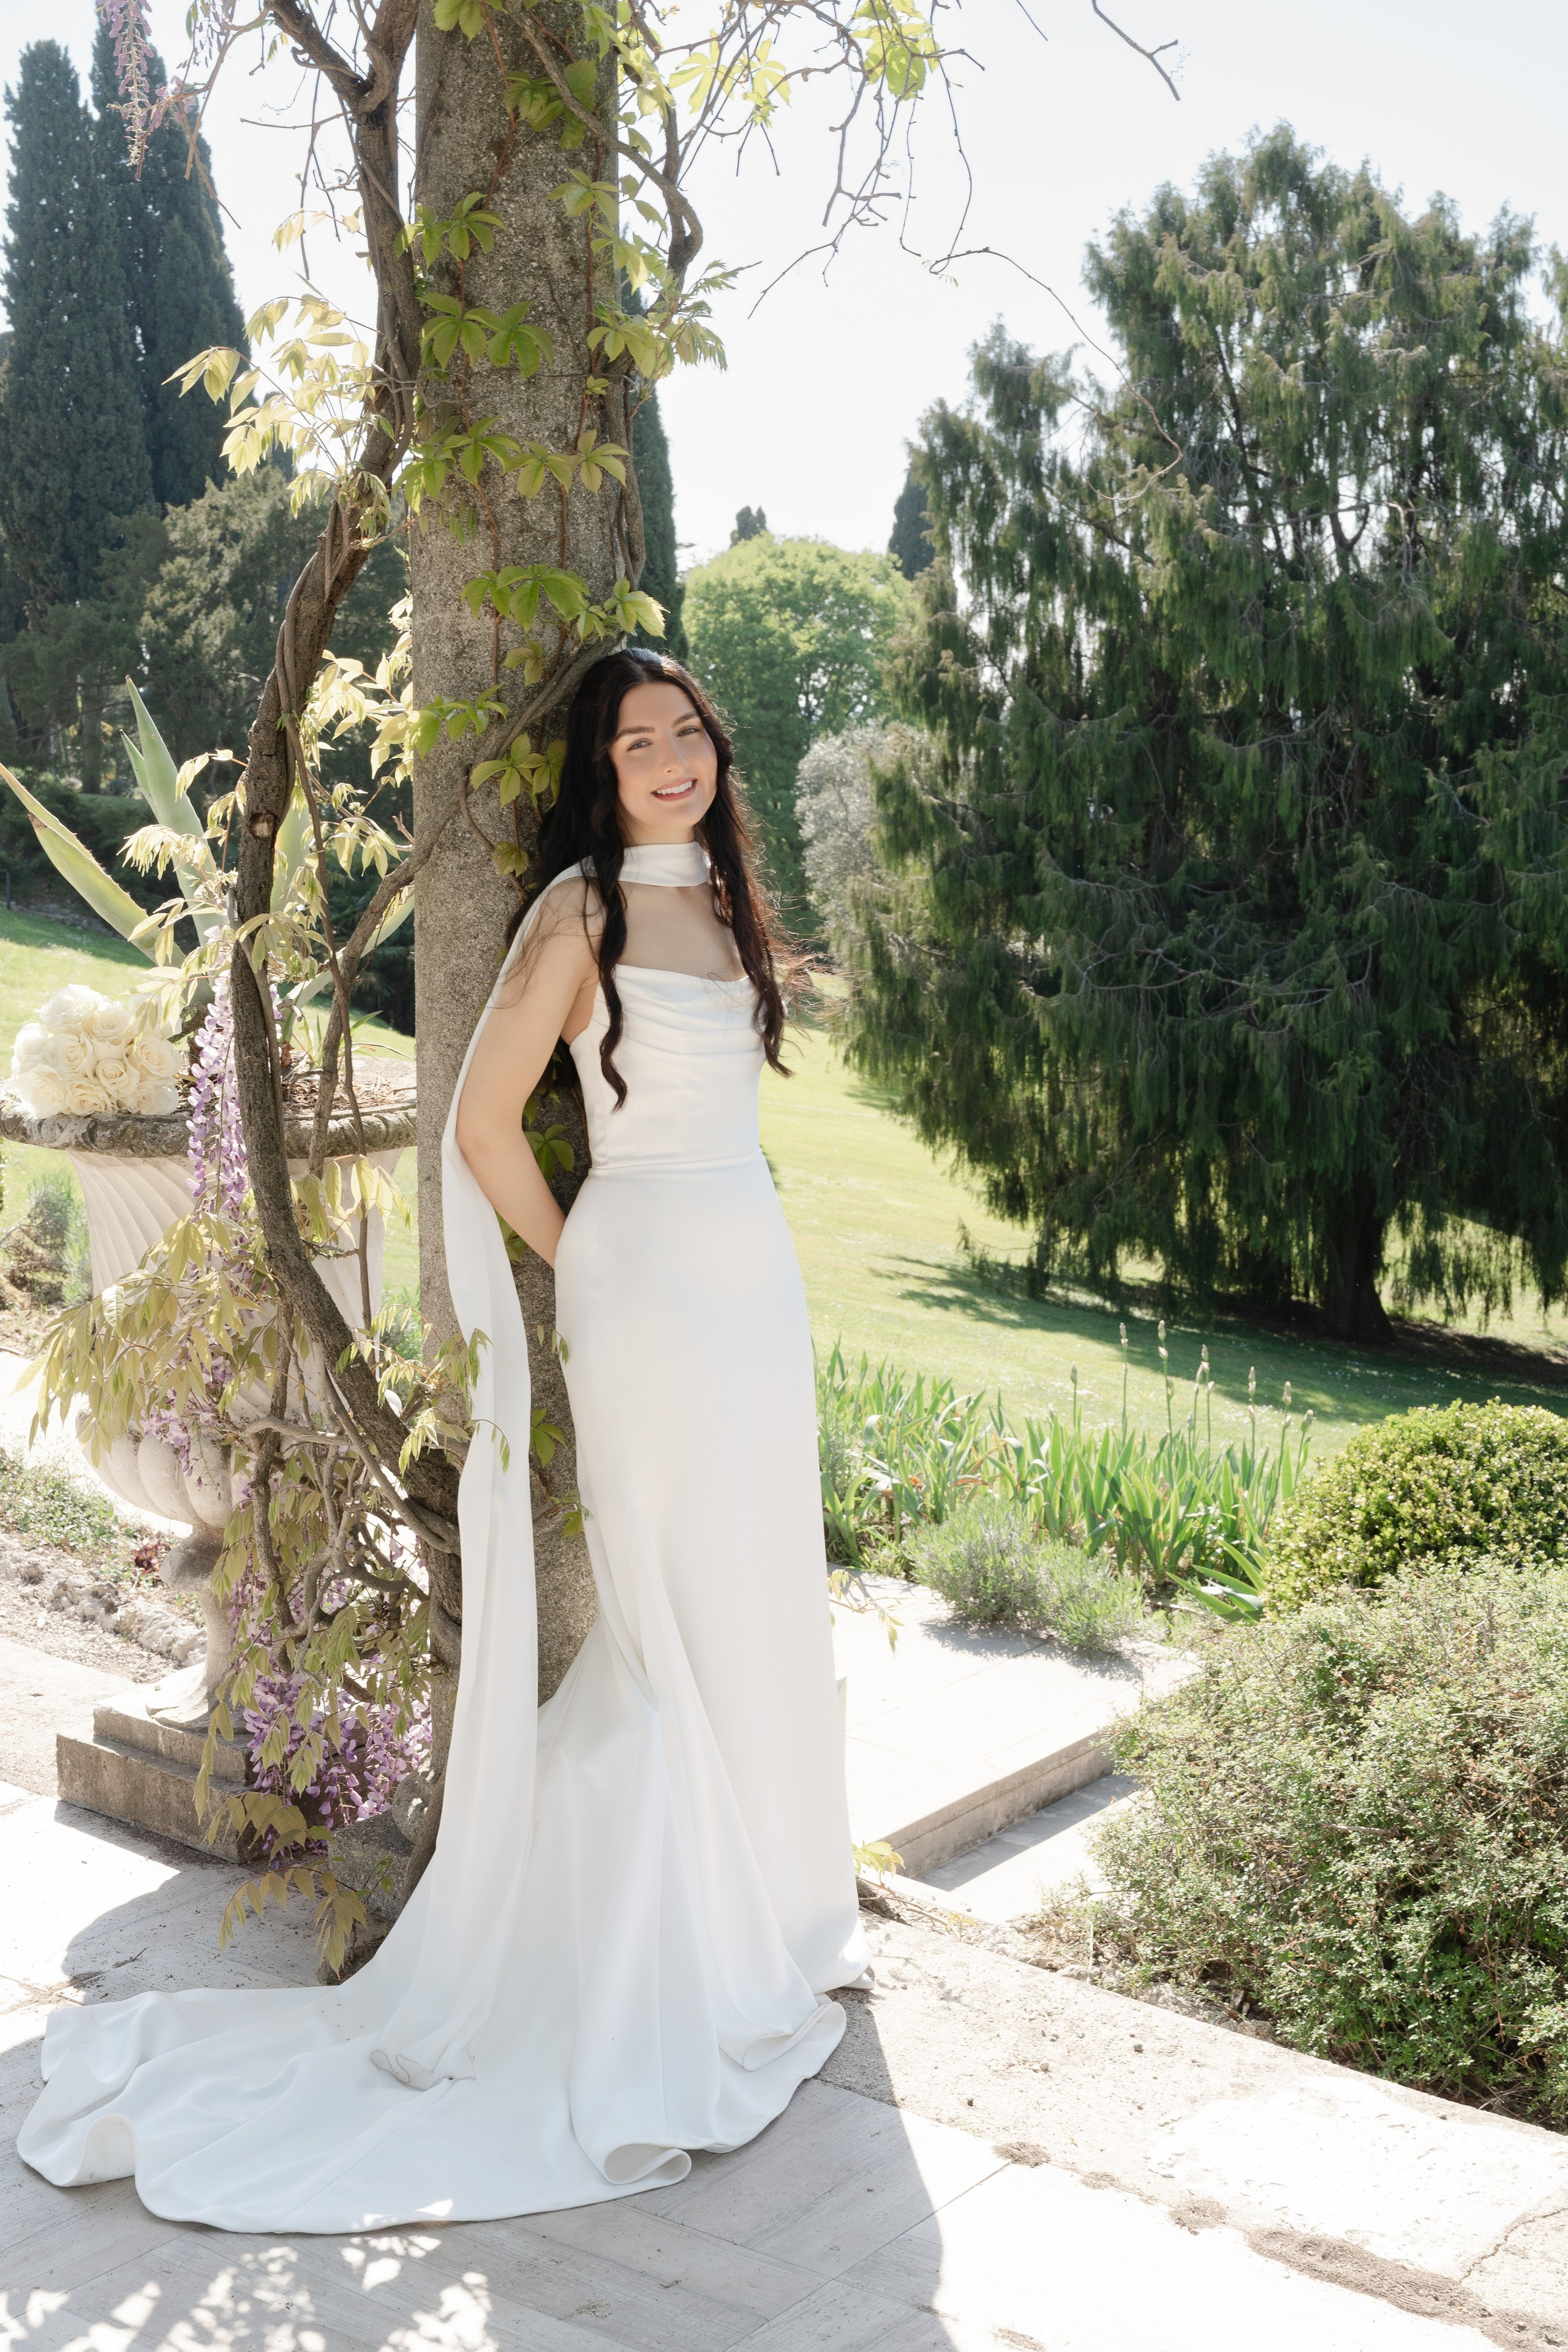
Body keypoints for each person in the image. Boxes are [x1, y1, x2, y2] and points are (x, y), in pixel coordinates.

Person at [17, 646, 867, 2231]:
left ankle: (766, 1909)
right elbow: (484, 1123)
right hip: (646, 1289)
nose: (674, 759)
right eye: (640, 741)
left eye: (690, 734)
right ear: (601, 774)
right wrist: (584, 1260)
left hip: (754, 1291)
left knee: (753, 1594)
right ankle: (647, 1957)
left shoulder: (726, 901)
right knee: (666, 1620)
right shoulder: (583, 915)